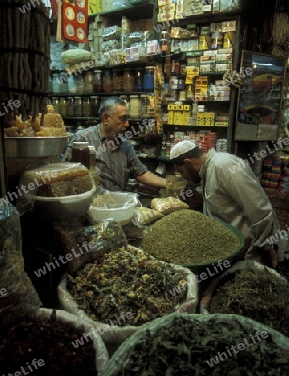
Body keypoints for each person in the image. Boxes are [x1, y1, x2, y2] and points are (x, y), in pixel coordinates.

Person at [169, 140, 280, 268]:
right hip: (228, 250)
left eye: (182, 173)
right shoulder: (208, 170)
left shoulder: (224, 166)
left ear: (188, 163)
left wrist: (267, 245)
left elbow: (258, 208)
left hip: (246, 252)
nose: (185, 178)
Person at [65, 96, 166, 191]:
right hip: (92, 203)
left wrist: (169, 184)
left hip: (118, 203)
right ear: (105, 119)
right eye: (122, 119)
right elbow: (66, 174)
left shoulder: (125, 145)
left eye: (127, 119)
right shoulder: (83, 139)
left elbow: (141, 173)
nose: (127, 124)